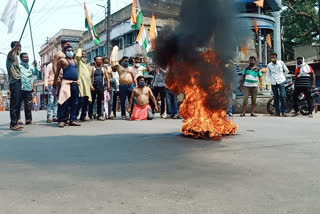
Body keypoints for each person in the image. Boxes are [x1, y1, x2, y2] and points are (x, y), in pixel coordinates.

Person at [55, 45, 81, 128]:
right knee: (63, 101)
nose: (70, 52)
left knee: (75, 102)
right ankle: (61, 120)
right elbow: (57, 72)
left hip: (74, 83)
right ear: (65, 52)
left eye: (71, 50)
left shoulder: (75, 61)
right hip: (66, 83)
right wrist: (55, 81)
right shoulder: (62, 60)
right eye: (68, 50)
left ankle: (72, 119)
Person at [6, 41, 23, 131]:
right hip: (14, 81)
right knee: (14, 103)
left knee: (18, 103)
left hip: (18, 80)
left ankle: (15, 122)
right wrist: (14, 48)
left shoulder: (16, 57)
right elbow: (9, 54)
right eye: (19, 47)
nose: (20, 48)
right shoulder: (12, 55)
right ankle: (13, 124)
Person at [266, 53, 289, 117]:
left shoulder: (281, 63)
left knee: (282, 96)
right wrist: (267, 83)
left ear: (276, 57)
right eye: (271, 57)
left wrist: (282, 76)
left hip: (281, 81)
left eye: (274, 57)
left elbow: (287, 71)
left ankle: (283, 111)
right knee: (276, 97)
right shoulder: (269, 65)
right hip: (273, 82)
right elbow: (267, 74)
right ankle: (277, 112)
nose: (273, 58)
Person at [19, 52, 39, 124]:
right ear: (21, 58)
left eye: (27, 57)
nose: (26, 58)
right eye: (24, 57)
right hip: (20, 87)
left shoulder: (30, 66)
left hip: (28, 88)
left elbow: (35, 73)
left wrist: (36, 66)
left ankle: (28, 120)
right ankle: (18, 120)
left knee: (28, 105)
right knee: (18, 104)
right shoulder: (18, 66)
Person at [88, 56, 110, 121]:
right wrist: (90, 85)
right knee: (91, 102)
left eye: (100, 60)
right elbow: (89, 77)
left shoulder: (104, 69)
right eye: (98, 60)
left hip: (101, 86)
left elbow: (107, 78)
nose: (99, 61)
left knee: (100, 101)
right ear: (95, 61)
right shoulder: (92, 68)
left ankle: (99, 115)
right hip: (93, 86)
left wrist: (108, 86)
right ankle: (90, 115)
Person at [75, 48, 92, 121]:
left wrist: (90, 85)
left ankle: (83, 116)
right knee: (79, 102)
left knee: (86, 102)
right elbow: (78, 56)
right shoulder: (78, 62)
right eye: (83, 55)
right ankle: (74, 117)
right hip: (80, 86)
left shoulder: (87, 64)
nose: (84, 56)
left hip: (87, 87)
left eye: (85, 55)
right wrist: (79, 49)